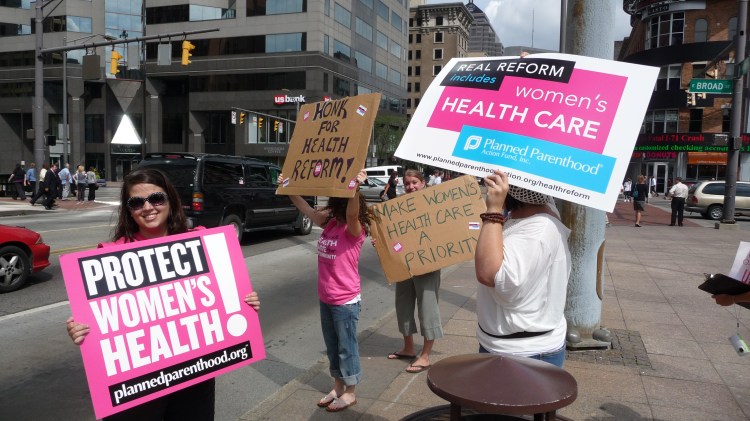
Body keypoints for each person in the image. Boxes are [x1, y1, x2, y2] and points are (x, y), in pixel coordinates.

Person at [65, 167, 261, 421]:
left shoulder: (202, 242)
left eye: (156, 198)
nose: (148, 207)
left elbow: (226, 300)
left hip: (193, 376)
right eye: (137, 202)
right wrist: (81, 329)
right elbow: (101, 320)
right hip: (138, 386)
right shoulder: (108, 256)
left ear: (170, 200)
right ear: (129, 210)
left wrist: (245, 303)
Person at [280, 170, 370, 412]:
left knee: (346, 346)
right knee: (333, 346)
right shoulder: (329, 224)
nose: (328, 208)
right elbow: (306, 209)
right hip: (326, 297)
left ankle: (350, 391)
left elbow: (352, 212)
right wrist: (288, 187)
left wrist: (355, 188)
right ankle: (338, 386)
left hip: (345, 300)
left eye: (333, 203)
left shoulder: (353, 229)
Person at [474, 170, 571, 367]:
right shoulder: (532, 215)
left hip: (522, 354)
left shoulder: (535, 231)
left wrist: (493, 209)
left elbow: (490, 275)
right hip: (509, 346)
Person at [386, 169, 443, 373]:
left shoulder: (434, 202)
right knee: (403, 304)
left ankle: (425, 355)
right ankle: (409, 348)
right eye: (407, 183)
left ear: (423, 183)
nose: (410, 186)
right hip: (405, 265)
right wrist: (381, 241)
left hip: (428, 264)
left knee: (428, 307)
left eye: (414, 183)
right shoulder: (398, 207)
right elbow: (391, 234)